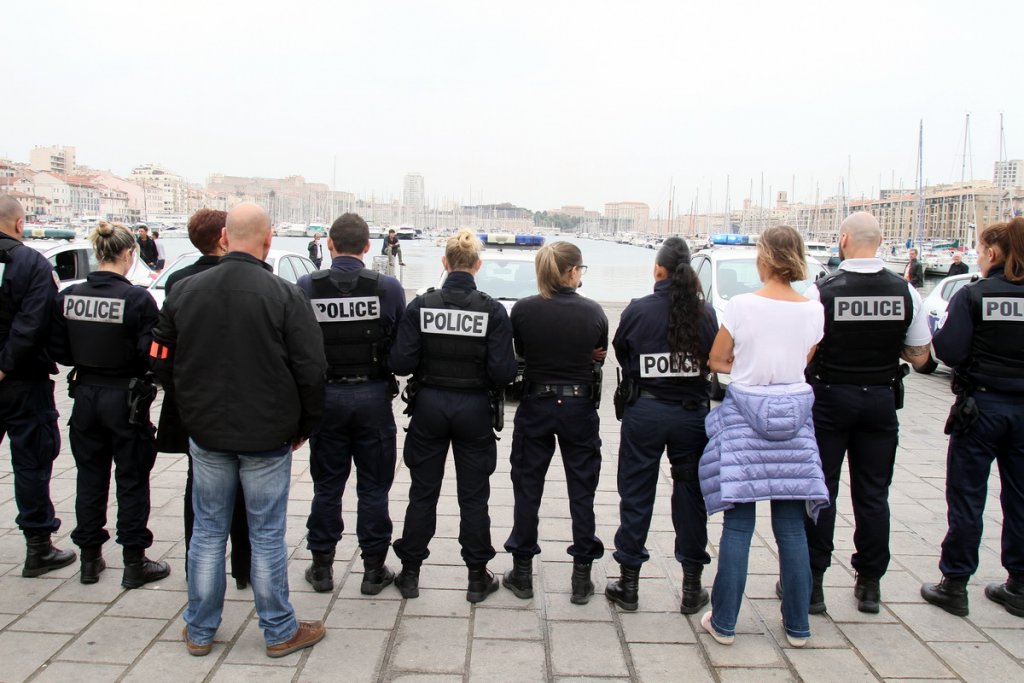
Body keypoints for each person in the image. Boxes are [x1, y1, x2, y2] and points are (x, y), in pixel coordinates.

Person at [151, 203, 328, 658]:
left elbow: (160, 362)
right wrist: (304, 425)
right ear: (268, 239)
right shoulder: (286, 296)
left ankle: (200, 628)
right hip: (267, 435)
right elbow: (311, 370)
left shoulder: (184, 291)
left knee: (208, 530)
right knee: (266, 533)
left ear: (226, 237)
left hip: (207, 431)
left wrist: (190, 409)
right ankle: (278, 630)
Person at [698, 225, 829, 648]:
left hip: (745, 419)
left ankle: (725, 623)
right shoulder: (813, 309)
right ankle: (798, 627)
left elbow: (717, 360)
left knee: (739, 525)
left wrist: (748, 362)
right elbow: (804, 359)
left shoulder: (741, 305)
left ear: (765, 257)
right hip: (794, 420)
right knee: (791, 527)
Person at [799, 212, 932, 614]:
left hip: (830, 399)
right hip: (880, 399)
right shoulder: (906, 292)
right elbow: (920, 355)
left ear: (842, 240)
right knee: (874, 494)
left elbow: (806, 349)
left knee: (821, 491)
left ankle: (813, 583)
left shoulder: (821, 292)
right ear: (880, 240)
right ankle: (870, 584)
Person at [389, 229, 516, 602]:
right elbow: (505, 373)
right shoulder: (492, 310)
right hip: (474, 409)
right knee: (474, 497)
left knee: (423, 493)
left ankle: (410, 573)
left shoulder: (422, 305)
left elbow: (400, 362)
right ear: (477, 265)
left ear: (444, 263)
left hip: (429, 407)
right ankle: (477, 577)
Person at [49, 221, 170, 588]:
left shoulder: (69, 297)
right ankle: (134, 561)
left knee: (90, 477)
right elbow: (149, 353)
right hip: (126, 399)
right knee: (131, 479)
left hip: (84, 394)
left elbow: (58, 350)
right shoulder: (137, 299)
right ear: (128, 254)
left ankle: (89, 559)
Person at [605, 237, 717, 613]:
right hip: (691, 417)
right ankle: (690, 586)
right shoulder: (705, 314)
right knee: (691, 497)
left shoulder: (639, 310)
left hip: (646, 414)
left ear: (658, 270)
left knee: (636, 494)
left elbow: (622, 352)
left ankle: (629, 583)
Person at [921, 217, 1024, 619]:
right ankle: (1019, 583)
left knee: (967, 496)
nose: (979, 258)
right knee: (1019, 497)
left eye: (981, 251)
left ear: (994, 253)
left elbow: (948, 349)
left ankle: (956, 583)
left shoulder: (975, 295)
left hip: (980, 408)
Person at [299, 213, 406, 595]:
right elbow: (400, 345)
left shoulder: (306, 285)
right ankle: (374, 571)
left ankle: (322, 567)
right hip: (373, 395)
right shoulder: (388, 288)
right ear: (367, 247)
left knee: (327, 485)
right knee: (374, 487)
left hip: (327, 397)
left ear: (329, 244)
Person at [503, 241, 608, 605]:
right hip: (578, 406)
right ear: (571, 272)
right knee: (582, 490)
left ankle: (521, 573)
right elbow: (599, 353)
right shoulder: (593, 312)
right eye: (581, 269)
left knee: (527, 487)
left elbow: (520, 351)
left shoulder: (524, 310)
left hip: (536, 403)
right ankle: (581, 577)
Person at [157, 209, 252, 589]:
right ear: (225, 237)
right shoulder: (253, 279)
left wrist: (176, 387)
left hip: (191, 400)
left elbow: (164, 346)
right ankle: (243, 568)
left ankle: (194, 567)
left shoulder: (179, 281)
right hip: (239, 400)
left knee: (197, 488)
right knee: (244, 489)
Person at [0, 196, 76, 578]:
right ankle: (38, 546)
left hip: (17, 373)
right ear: (18, 224)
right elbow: (33, 323)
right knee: (31, 460)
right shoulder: (30, 262)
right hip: (22, 381)